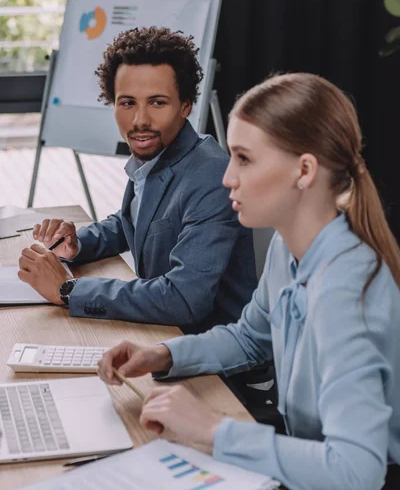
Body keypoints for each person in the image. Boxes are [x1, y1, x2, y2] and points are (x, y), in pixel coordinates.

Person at [98, 73, 400, 490]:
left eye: (244, 159)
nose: (227, 178)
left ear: (304, 170)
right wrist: (163, 354)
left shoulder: (346, 289)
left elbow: (355, 471)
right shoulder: (289, 247)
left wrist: (214, 428)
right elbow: (249, 338)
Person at [18, 26, 257, 334]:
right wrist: (76, 244)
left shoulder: (210, 174)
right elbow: (133, 222)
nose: (140, 120)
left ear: (185, 105)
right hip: (162, 335)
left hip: (211, 357)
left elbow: (184, 300)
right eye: (128, 103)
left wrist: (68, 290)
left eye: (157, 102)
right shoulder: (159, 156)